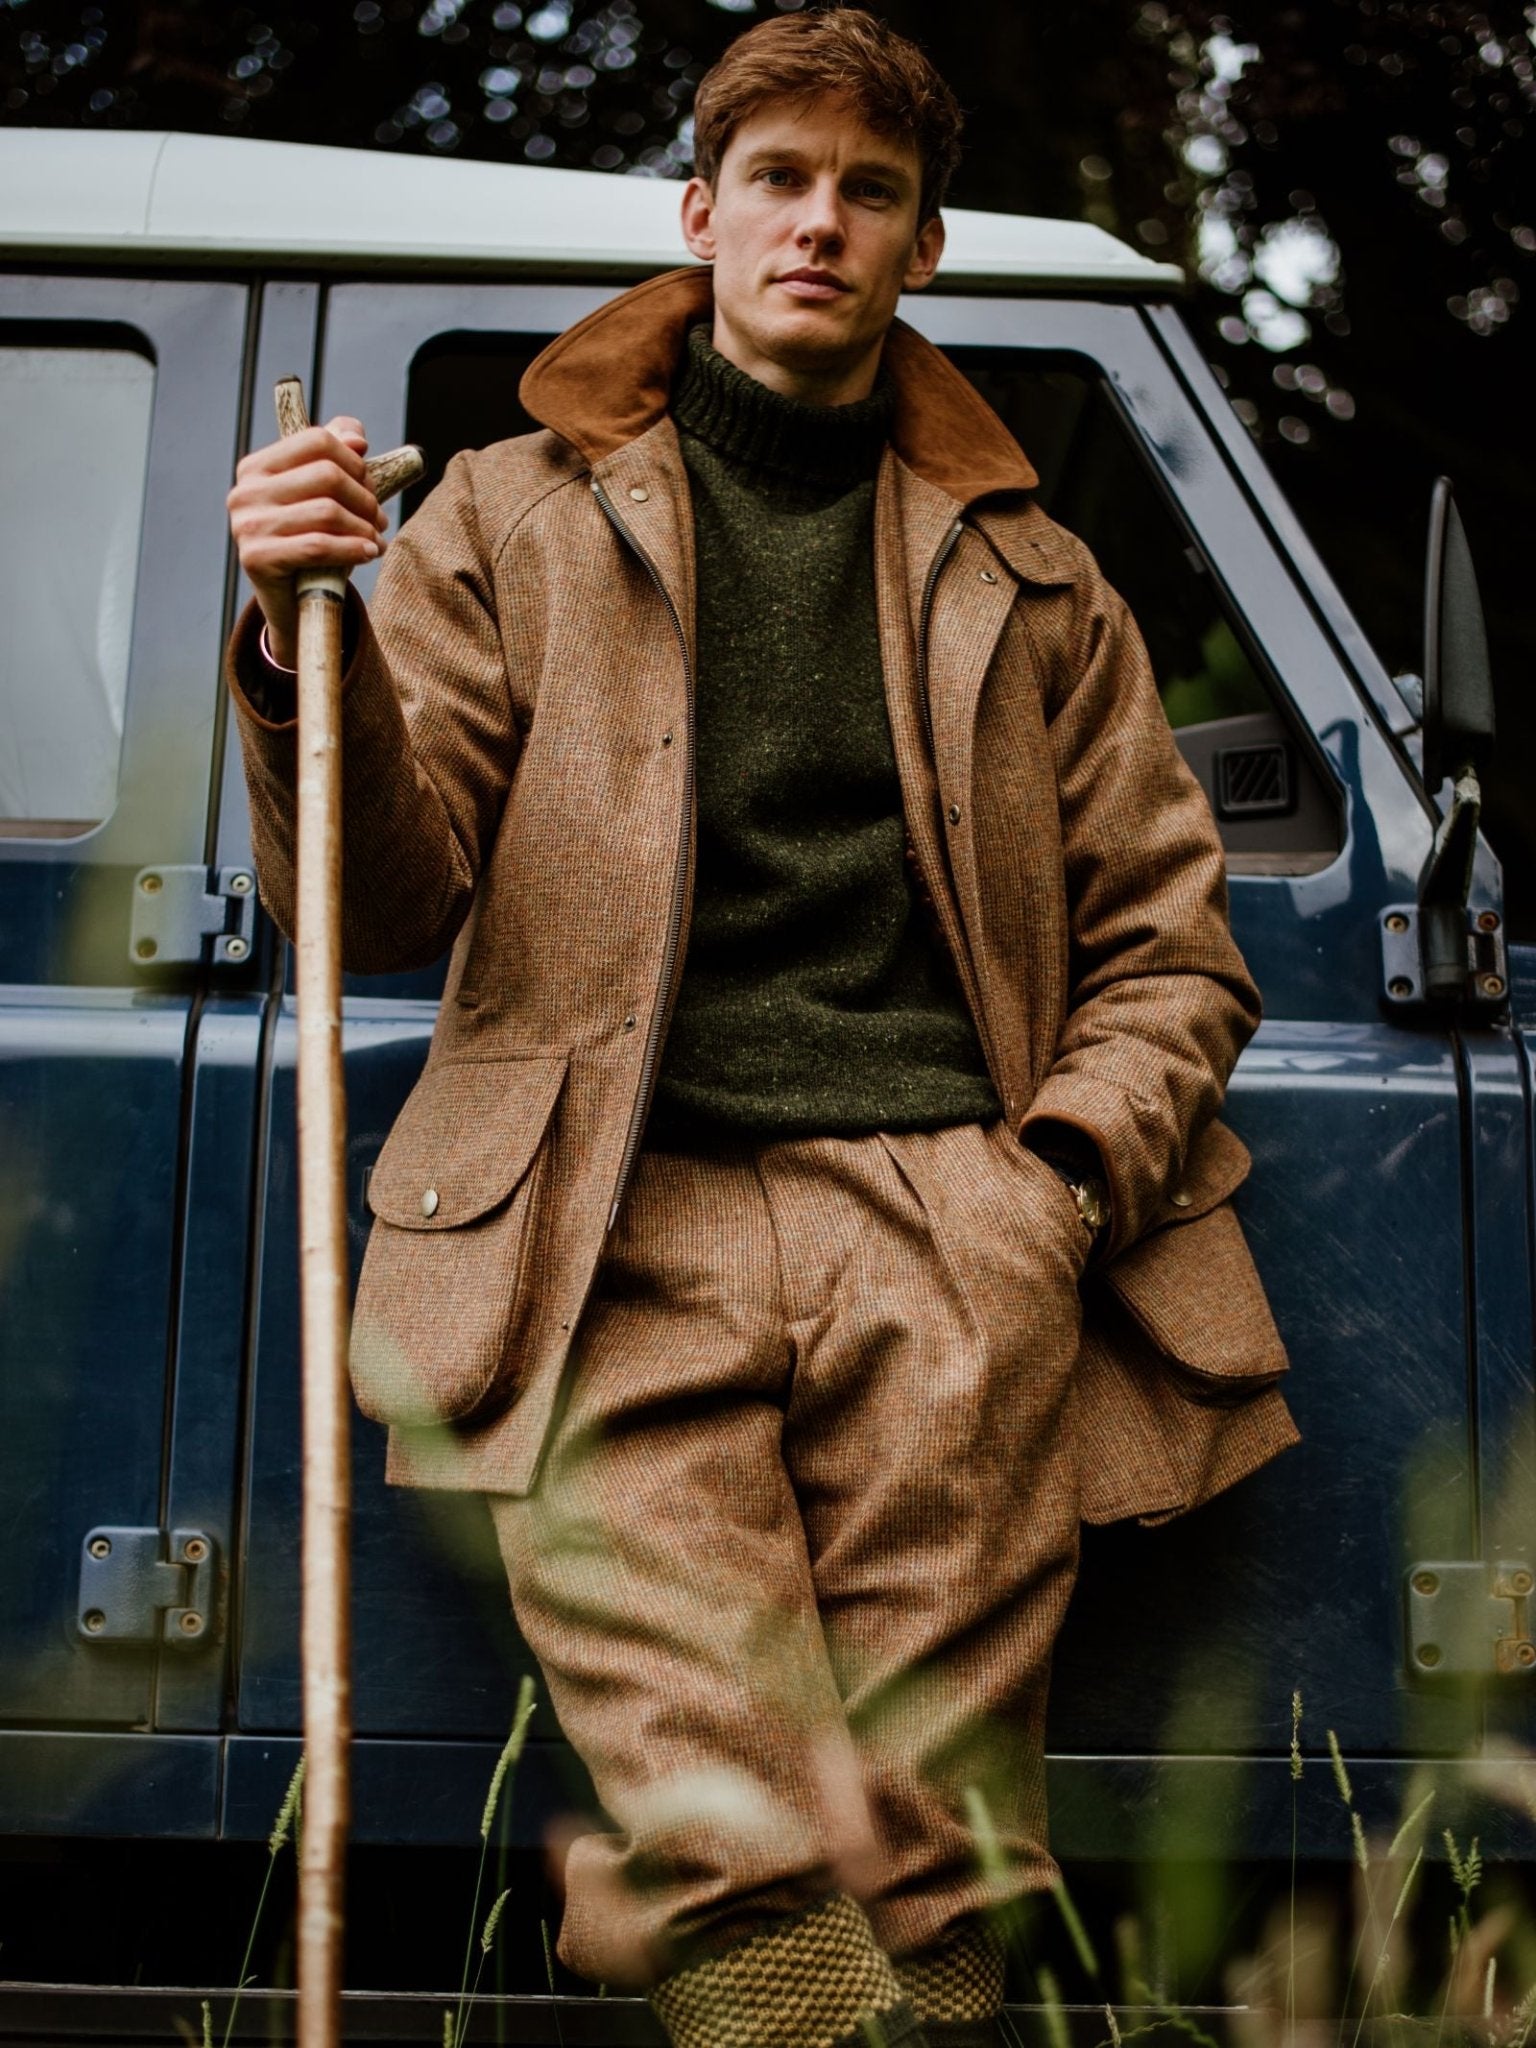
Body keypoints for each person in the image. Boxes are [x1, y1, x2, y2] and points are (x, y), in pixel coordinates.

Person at [225, 11, 1297, 2046]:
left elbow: (1175, 953)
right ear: (703, 216)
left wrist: (1052, 1179)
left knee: (941, 1841)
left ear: (924, 244)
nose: (821, 223)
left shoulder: (1042, 579)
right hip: (609, 1225)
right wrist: (301, 630)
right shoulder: (506, 522)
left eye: (867, 192)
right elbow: (384, 892)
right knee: (731, 1823)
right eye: (782, 182)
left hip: (953, 1230)